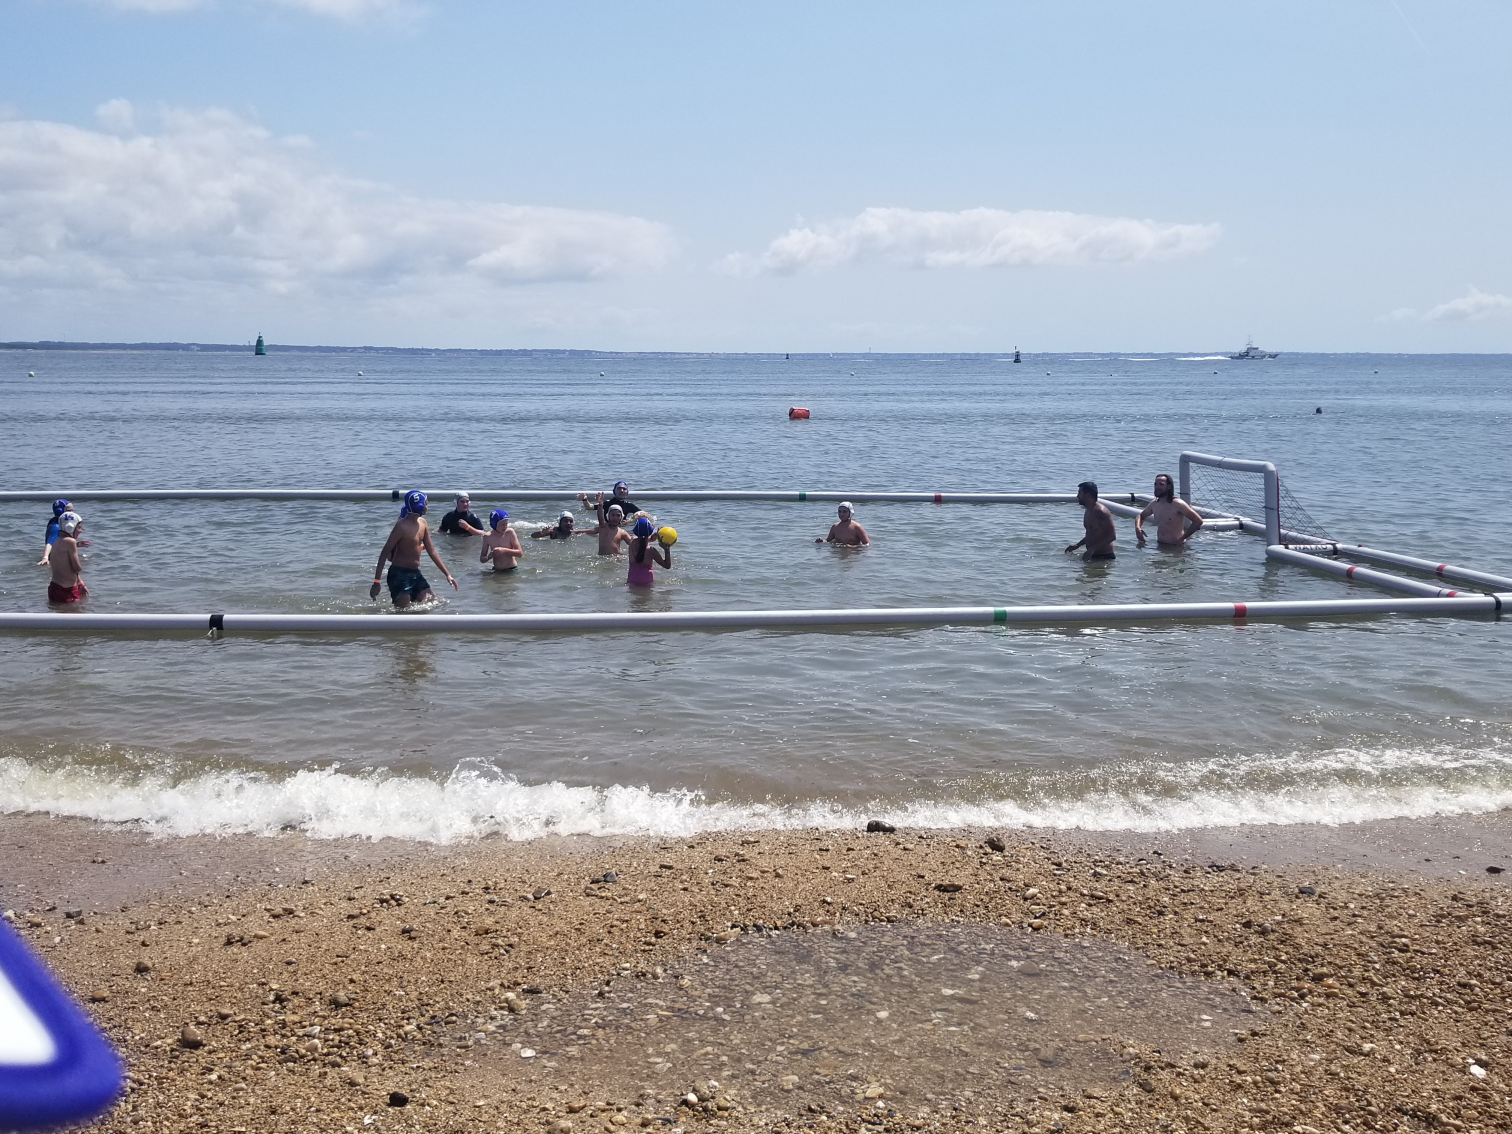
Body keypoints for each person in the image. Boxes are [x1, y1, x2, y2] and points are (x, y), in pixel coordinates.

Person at [370, 490, 458, 608]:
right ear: (420, 506)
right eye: (426, 503)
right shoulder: (401, 526)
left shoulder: (423, 523)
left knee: (432, 601)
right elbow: (384, 553)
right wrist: (376, 582)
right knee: (403, 611)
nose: (427, 506)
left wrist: (447, 574)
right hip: (398, 574)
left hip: (415, 573)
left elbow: (432, 551)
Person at [1135, 473, 1205, 547]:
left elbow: (1198, 521)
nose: (1157, 487)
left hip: (1176, 548)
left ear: (1169, 486)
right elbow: (1140, 516)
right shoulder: (1154, 504)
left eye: (1161, 484)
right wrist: (1138, 529)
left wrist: (1183, 538)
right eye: (1155, 484)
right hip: (1160, 545)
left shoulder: (1177, 504)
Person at [1065, 481, 1117, 561]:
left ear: (1088, 496)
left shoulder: (1101, 512)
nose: (1077, 496)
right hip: (1092, 555)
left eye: (1080, 493)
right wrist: (1077, 545)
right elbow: (1092, 533)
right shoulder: (1088, 510)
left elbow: (1112, 536)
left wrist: (1092, 549)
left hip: (1104, 557)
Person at [47, 511, 88, 605]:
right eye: (79, 527)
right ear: (70, 527)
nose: (81, 530)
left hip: (53, 587)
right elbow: (76, 568)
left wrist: (80, 582)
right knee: (76, 616)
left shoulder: (56, 540)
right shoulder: (71, 542)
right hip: (67, 590)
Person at [627, 515, 670, 586]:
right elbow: (667, 565)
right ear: (650, 532)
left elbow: (643, 540)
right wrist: (667, 550)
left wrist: (655, 535)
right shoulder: (651, 551)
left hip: (631, 582)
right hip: (646, 585)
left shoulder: (632, 542)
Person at [38, 498, 72, 566]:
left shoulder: (59, 522)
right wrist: (45, 557)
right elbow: (49, 543)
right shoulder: (56, 526)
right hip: (57, 559)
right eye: (69, 510)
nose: (72, 513)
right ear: (61, 511)